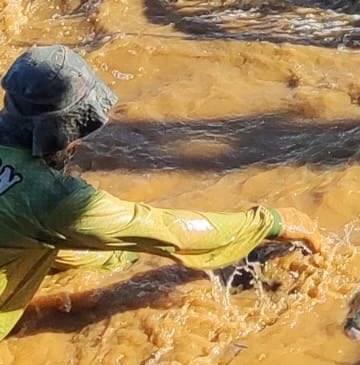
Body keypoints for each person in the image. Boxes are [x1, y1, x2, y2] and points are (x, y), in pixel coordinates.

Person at [0, 45, 322, 340]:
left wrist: (119, 257)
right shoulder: (49, 197)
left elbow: (22, 229)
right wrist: (270, 222)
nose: (78, 143)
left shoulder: (33, 198)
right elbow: (168, 230)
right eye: (77, 132)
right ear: (58, 130)